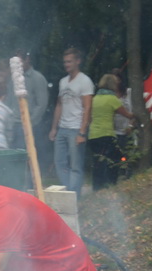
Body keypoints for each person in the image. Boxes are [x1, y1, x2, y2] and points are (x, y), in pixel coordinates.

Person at [49, 48, 94, 199]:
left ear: (77, 61)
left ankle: (75, 197)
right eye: (65, 62)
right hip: (62, 128)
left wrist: (82, 131)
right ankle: (68, 192)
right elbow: (59, 105)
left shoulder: (84, 81)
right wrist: (54, 128)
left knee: (75, 165)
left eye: (69, 61)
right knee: (60, 162)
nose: (66, 64)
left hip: (76, 128)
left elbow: (87, 107)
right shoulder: (63, 82)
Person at [88, 74, 134, 190]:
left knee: (97, 161)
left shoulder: (95, 99)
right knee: (115, 159)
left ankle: (96, 187)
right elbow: (126, 114)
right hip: (106, 135)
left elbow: (89, 118)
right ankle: (111, 184)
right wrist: (137, 116)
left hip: (93, 135)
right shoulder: (112, 99)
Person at [6, 50, 49, 151]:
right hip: (13, 124)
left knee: (26, 155)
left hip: (30, 125)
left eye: (20, 62)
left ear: (27, 59)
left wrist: (29, 122)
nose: (18, 66)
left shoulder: (38, 78)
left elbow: (42, 104)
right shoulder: (13, 79)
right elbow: (9, 100)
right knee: (13, 155)